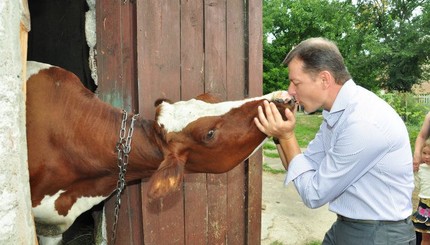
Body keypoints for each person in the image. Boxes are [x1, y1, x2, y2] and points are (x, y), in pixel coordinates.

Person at [254, 37, 416, 244]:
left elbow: (313, 194)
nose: (290, 91)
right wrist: (280, 136)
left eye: (296, 82)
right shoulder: (338, 113)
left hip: (377, 235)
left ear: (324, 79)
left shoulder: (363, 123)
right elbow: (301, 166)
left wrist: (286, 136)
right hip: (350, 226)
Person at [412, 138, 430, 245]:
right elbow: (417, 186)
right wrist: (414, 171)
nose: (427, 157)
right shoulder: (421, 169)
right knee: (425, 238)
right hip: (425, 207)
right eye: (424, 153)